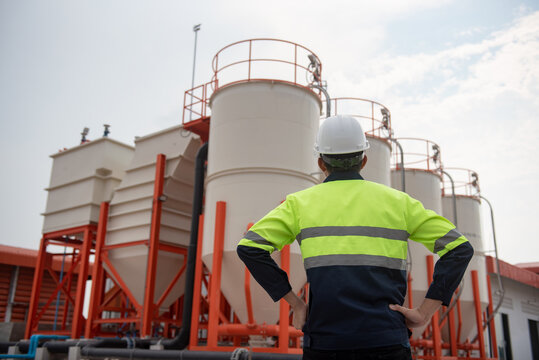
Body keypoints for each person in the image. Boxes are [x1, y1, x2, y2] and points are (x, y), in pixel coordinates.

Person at [237, 115, 474, 360]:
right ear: (364, 160)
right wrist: (425, 312)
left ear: (321, 163)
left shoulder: (299, 204)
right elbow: (459, 248)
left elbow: (249, 247)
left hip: (325, 343)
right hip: (387, 341)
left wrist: (296, 304)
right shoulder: (398, 202)